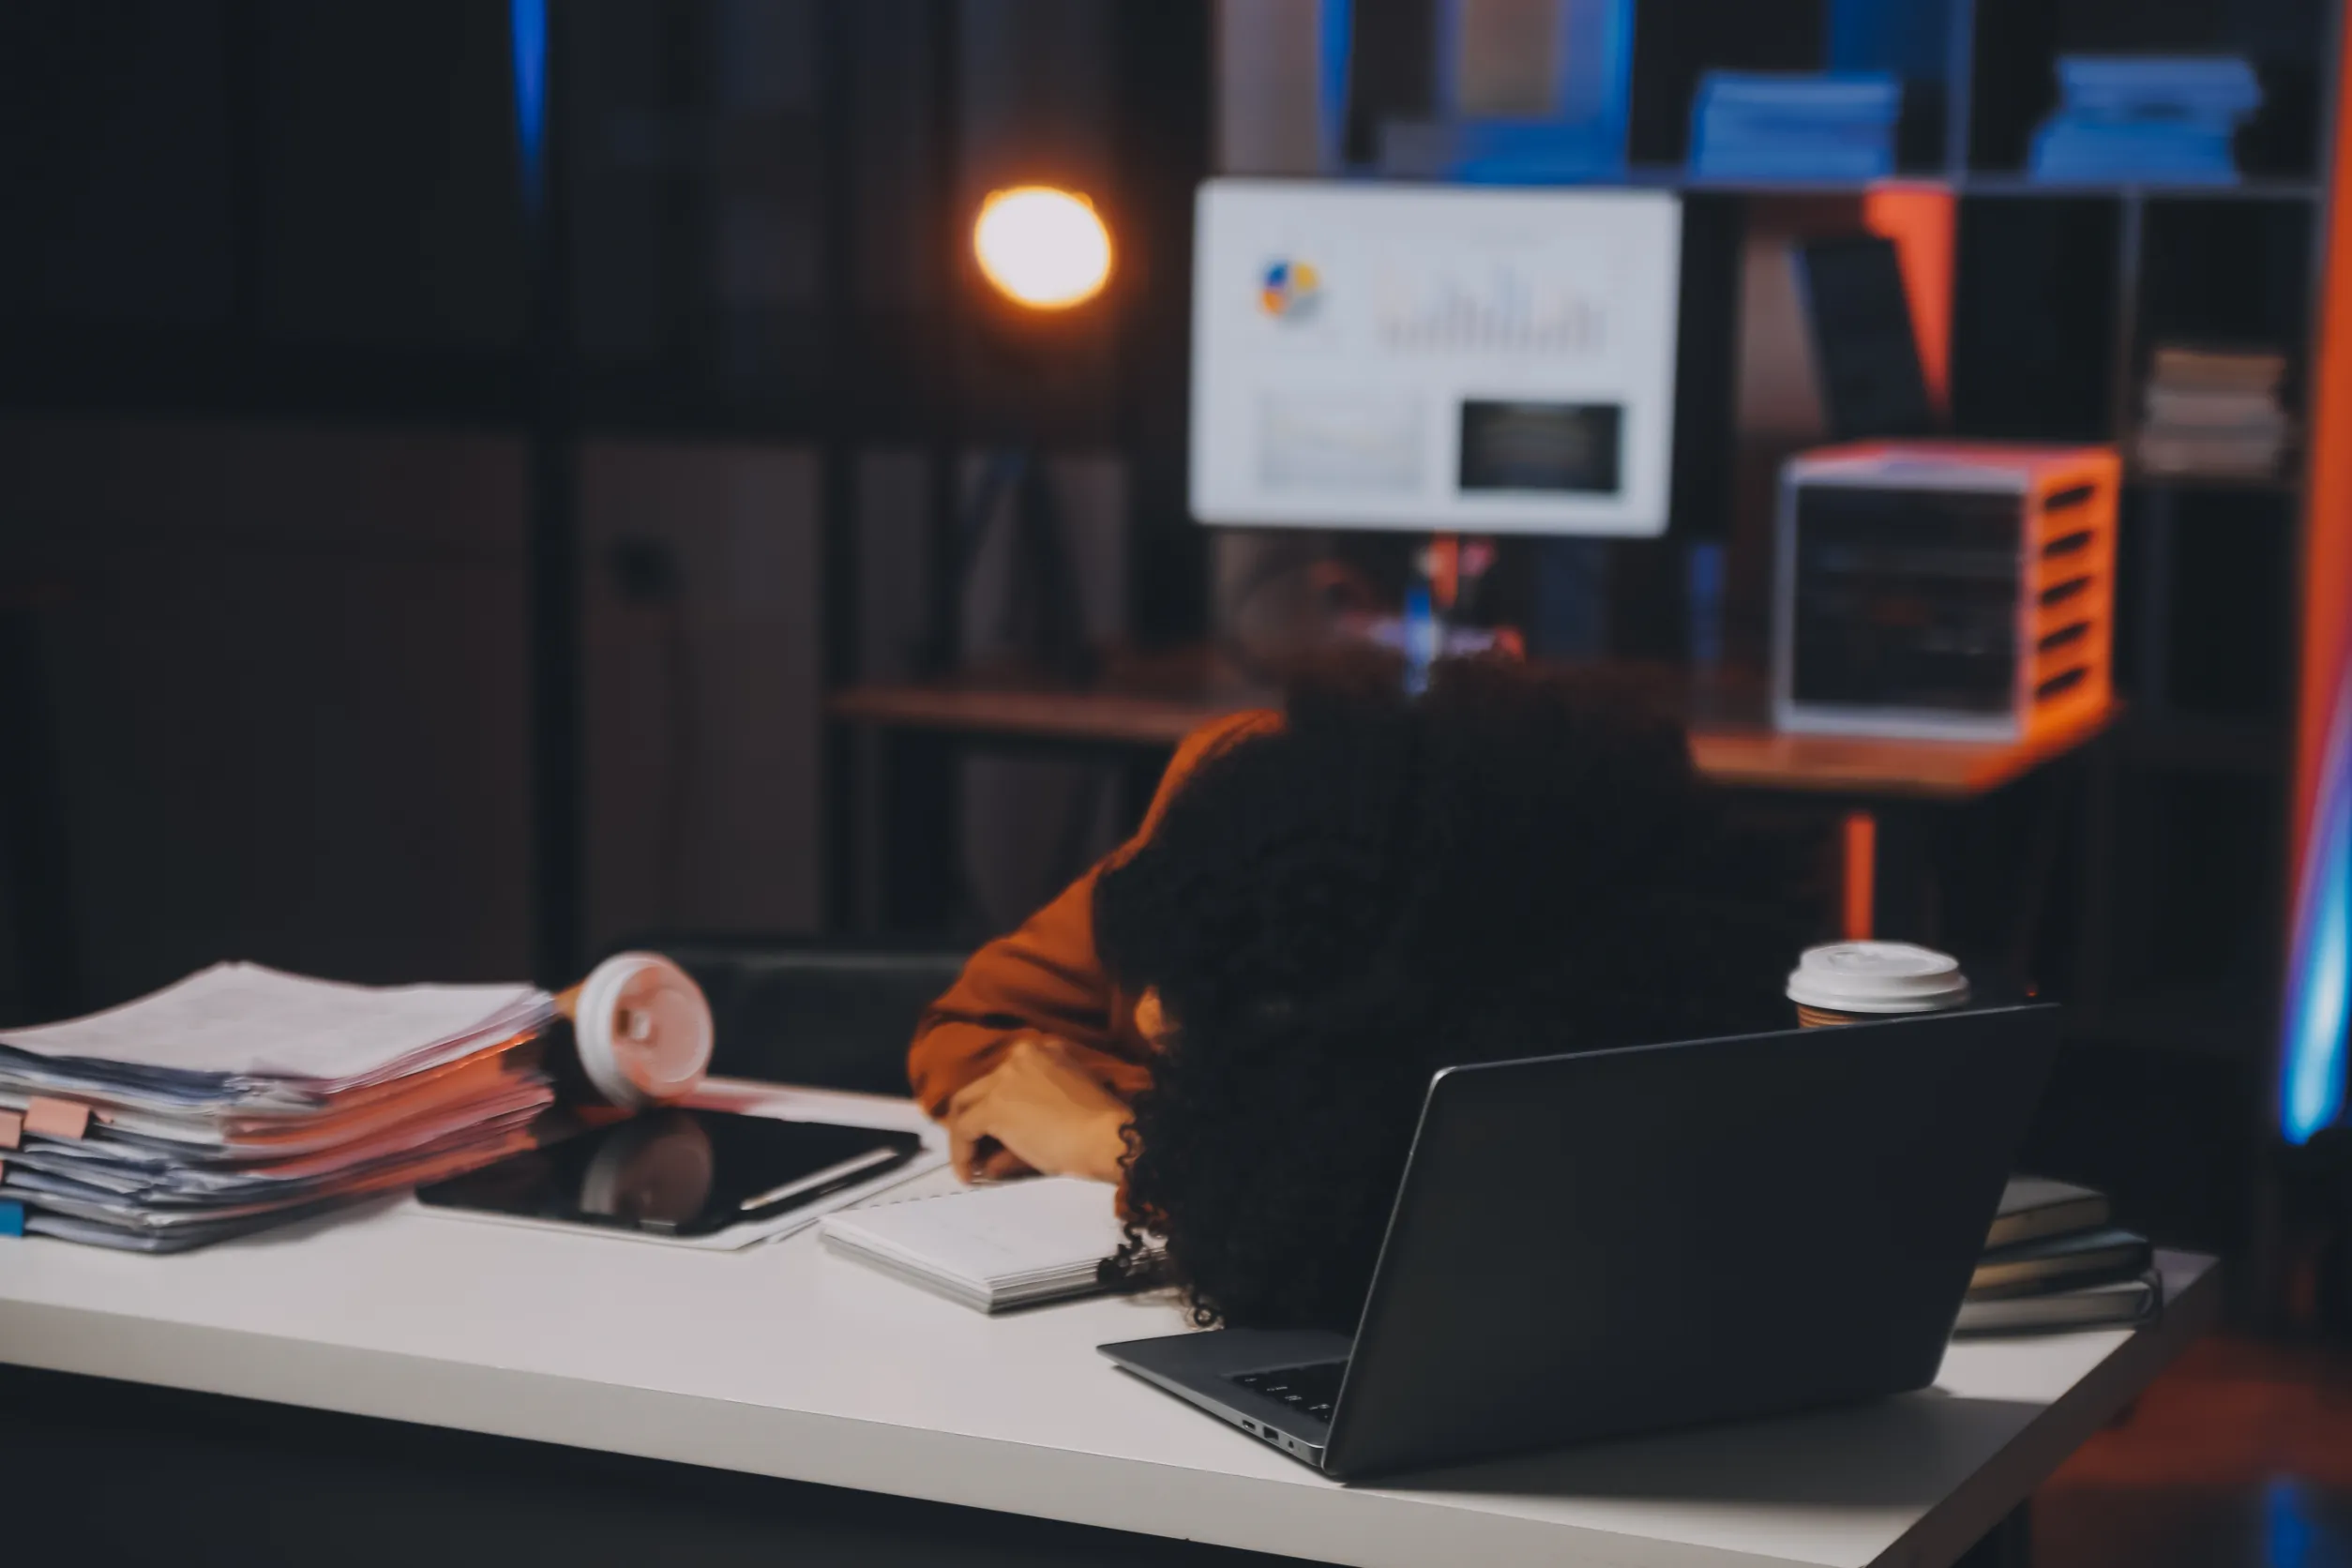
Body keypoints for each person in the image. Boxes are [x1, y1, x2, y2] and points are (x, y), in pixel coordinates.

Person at [910, 654, 1817, 1330]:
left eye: (1195, 1008)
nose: (1150, 1018)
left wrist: (1121, 1140)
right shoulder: (1239, 810)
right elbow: (977, 1035)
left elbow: (1381, 1221)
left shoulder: (1510, 917)